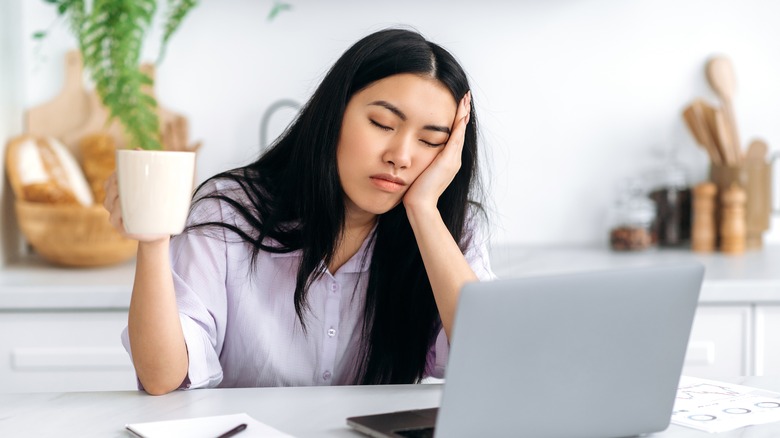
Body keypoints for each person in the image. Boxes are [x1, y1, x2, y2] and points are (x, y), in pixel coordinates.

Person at [104, 27, 495, 395]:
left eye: (430, 141)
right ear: (334, 114)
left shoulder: (452, 232)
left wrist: (424, 211)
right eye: (382, 123)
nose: (401, 157)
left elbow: (488, 359)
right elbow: (163, 379)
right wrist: (153, 241)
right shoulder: (231, 212)